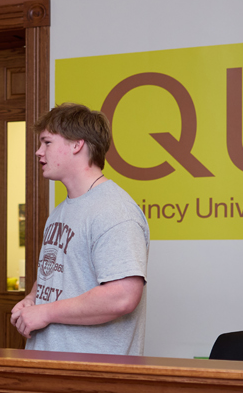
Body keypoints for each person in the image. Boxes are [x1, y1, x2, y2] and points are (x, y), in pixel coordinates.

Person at [10, 103, 149, 355]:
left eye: (47, 143)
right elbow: (56, 273)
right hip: (50, 369)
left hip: (91, 378)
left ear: (77, 145)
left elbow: (123, 296)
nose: (38, 152)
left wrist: (45, 311)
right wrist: (33, 299)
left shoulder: (115, 211)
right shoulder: (62, 209)